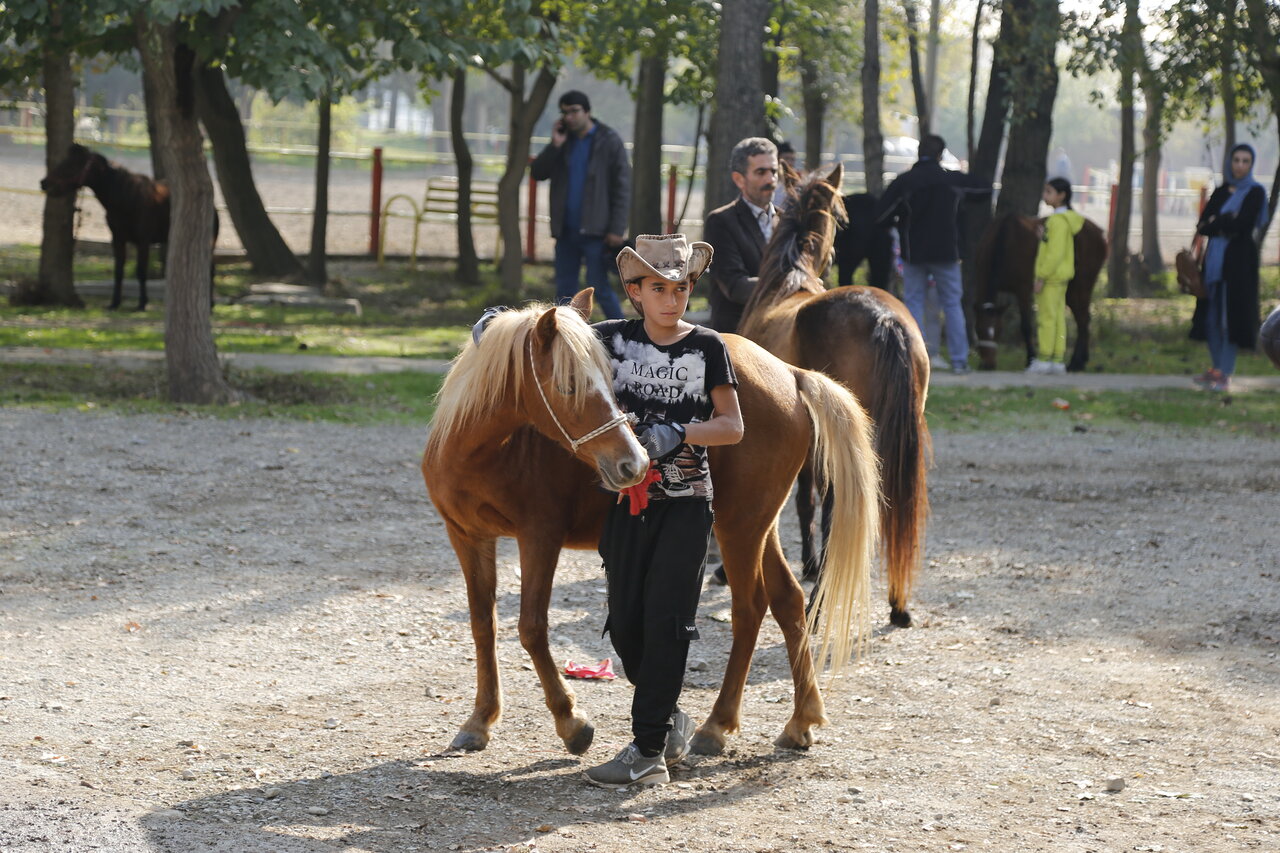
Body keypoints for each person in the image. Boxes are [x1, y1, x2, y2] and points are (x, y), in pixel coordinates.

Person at [586, 234, 743, 788]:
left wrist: (678, 431)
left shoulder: (708, 347)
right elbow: (554, 335)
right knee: (626, 627)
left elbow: (733, 426)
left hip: (685, 504)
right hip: (626, 503)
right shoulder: (608, 340)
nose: (672, 300)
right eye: (658, 288)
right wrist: (494, 328)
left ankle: (648, 750)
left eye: (680, 288)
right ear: (634, 291)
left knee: (667, 623)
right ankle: (670, 717)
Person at [874, 134, 992, 374]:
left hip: (913, 252)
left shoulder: (905, 181)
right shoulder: (951, 180)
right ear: (941, 155)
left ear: (919, 153)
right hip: (947, 253)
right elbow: (985, 189)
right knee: (952, 304)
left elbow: (880, 214)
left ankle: (916, 360)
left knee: (913, 303)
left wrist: (898, 221)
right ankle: (960, 361)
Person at [530, 90, 631, 320]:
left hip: (597, 231)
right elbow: (538, 172)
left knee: (600, 288)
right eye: (564, 113)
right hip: (566, 231)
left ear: (587, 111)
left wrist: (617, 229)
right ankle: (563, 340)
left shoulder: (609, 140)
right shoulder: (563, 142)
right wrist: (555, 145)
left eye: (574, 111)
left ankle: (622, 336)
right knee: (564, 293)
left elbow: (623, 187)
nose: (569, 117)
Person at [1190, 143, 1268, 393]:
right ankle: (1216, 368)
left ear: (1251, 164)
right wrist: (1226, 221)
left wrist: (1220, 222)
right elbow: (1203, 226)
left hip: (1238, 265)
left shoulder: (1255, 192)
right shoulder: (1222, 191)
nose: (1241, 165)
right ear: (1230, 162)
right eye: (1237, 160)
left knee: (1229, 319)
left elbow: (1244, 225)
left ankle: (1225, 372)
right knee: (1211, 317)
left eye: (1246, 161)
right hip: (1213, 263)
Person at [703, 137, 779, 334]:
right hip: (740, 339)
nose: (770, 180)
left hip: (784, 335)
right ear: (739, 179)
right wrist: (791, 285)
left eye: (774, 171)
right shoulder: (720, 222)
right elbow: (735, 287)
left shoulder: (789, 221)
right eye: (761, 172)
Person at [1027, 177, 1085, 375]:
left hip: (1051, 278)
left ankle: (1044, 357)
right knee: (1057, 316)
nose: (1045, 196)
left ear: (1062, 196)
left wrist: (1041, 276)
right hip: (1060, 276)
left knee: (1047, 317)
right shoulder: (1064, 221)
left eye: (1049, 192)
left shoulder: (1058, 222)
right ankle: (1057, 358)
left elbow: (1054, 253)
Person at [773, 141, 798, 210]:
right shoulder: (771, 182)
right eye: (786, 158)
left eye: (792, 159)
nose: (789, 163)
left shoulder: (797, 184)